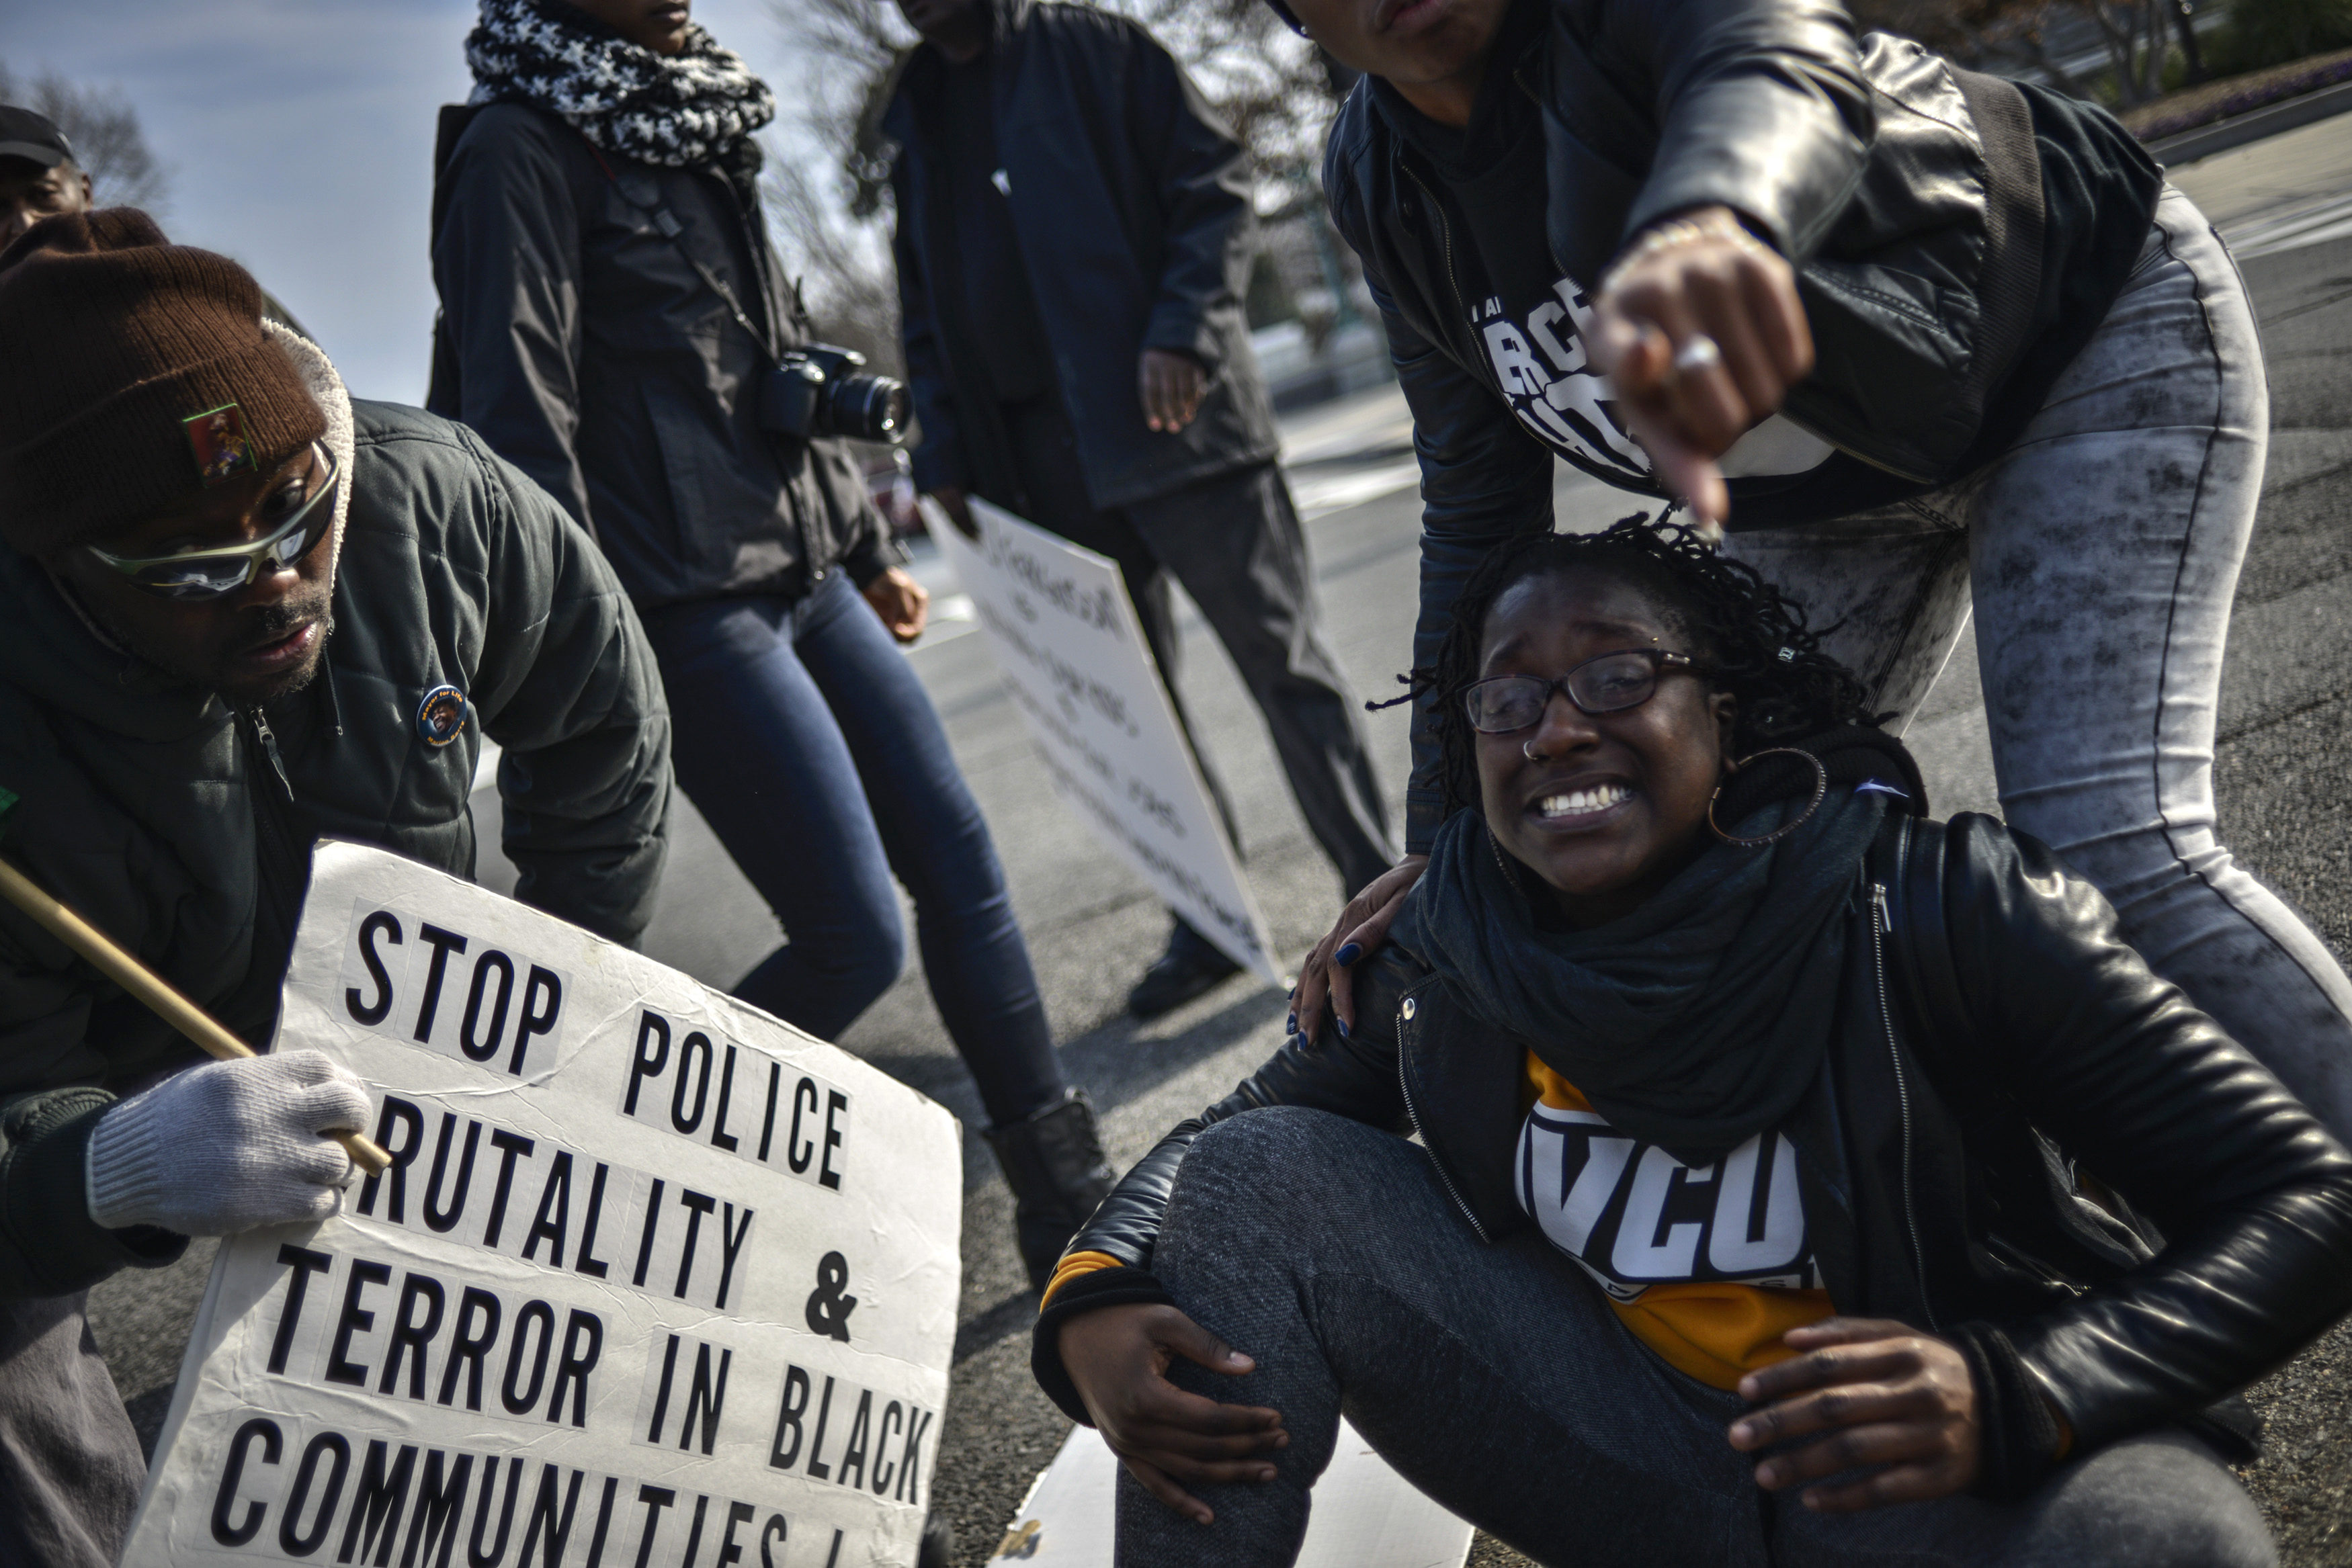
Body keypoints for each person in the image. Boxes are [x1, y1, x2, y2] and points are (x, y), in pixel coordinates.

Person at [1031, 517, 2352, 1567]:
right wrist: (1092, 1284)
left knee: (2170, 1544)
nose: (1556, 728)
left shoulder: (1940, 901)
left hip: (1915, 1458)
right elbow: (1229, 1160)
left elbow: (2307, 1197)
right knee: (1266, 1176)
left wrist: (2026, 1387)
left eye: (1616, 675)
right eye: (1509, 701)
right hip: (1623, 1451)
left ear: (1729, 715)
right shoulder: (1453, 944)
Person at [1276, 0, 2352, 1144]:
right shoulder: (1383, 183)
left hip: (2074, 340)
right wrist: (1445, 851)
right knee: (1707, 858)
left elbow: (1772, 57)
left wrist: (1715, 218)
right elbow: (1478, 501)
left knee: (2106, 849)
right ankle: (1996, 1215)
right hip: (1823, 501)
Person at [0, 208, 672, 1565]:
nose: (278, 585)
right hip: (110, 1074)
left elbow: (604, 731)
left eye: (295, 510)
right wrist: (115, 1166)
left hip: (394, 1021)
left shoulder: (430, 495)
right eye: (196, 560)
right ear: (56, 557)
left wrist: (549, 1007)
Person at [429, 0, 1114, 1293]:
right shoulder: (518, 148)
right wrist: (586, 637)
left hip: (805, 568)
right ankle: (614, 1166)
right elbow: (519, 416)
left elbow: (783, 361)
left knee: (959, 856)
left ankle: (1067, 1196)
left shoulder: (700, 115)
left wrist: (863, 545)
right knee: (854, 935)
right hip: (678, 603)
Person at [883, 0, 1399, 1016]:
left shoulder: (1094, 47)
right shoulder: (915, 113)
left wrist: (1185, 331)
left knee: (1286, 670)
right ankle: (1208, 924)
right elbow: (924, 306)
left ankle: (1380, 898)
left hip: (1177, 427)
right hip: (1034, 478)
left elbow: (1214, 188)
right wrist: (940, 446)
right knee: (1135, 722)